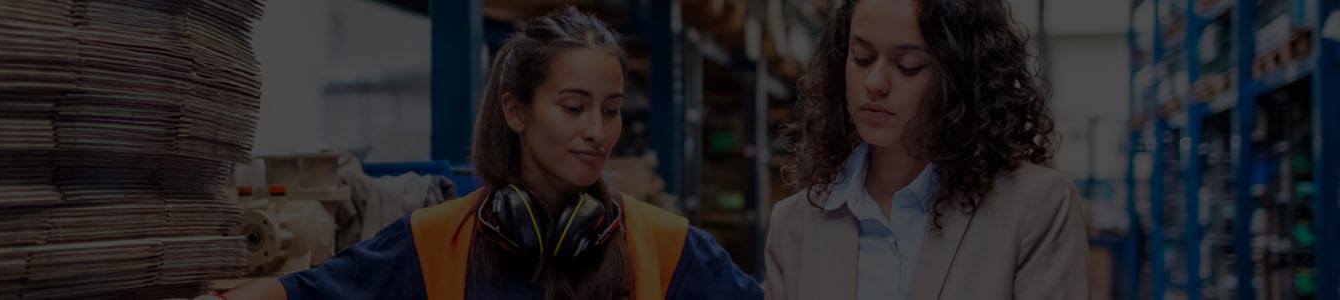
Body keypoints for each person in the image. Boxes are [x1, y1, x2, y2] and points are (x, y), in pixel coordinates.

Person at [226, 7, 762, 300]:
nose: (598, 131)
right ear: (515, 111)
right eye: (574, 108)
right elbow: (313, 293)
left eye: (612, 109)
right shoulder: (437, 242)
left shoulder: (667, 249)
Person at [762, 0, 1088, 299]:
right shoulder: (794, 225)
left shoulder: (1037, 208)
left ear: (960, 76)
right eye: (861, 57)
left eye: (908, 65)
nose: (875, 82)